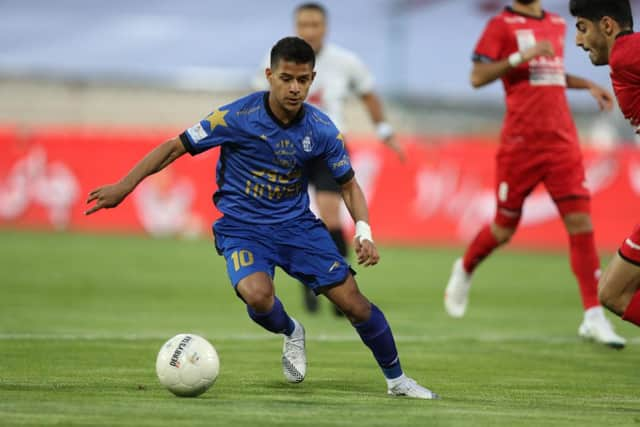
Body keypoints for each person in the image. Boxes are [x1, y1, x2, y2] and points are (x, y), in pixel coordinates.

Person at [85, 37, 437, 399]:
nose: (295, 88)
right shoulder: (235, 117)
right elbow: (176, 146)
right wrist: (125, 186)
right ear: (269, 75)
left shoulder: (322, 130)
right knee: (257, 296)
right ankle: (291, 330)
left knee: (355, 304)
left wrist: (364, 230)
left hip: (296, 227)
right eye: (286, 78)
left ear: (312, 79)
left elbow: (348, 185)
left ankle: (397, 381)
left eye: (303, 80)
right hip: (243, 229)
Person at [444, 0, 627, 348]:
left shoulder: (558, 23)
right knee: (503, 228)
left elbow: (549, 74)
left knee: (581, 225)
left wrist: (585, 84)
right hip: (520, 144)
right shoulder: (501, 25)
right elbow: (477, 77)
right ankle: (465, 267)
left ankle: (593, 316)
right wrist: (517, 58)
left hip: (561, 142)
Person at [253, 2, 404, 315]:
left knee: (330, 215)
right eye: (304, 25)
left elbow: (368, 93)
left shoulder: (345, 61)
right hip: (287, 148)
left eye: (315, 25)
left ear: (325, 28)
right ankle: (308, 281)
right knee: (289, 218)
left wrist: (384, 129)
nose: (309, 30)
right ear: (296, 27)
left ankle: (340, 283)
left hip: (327, 146)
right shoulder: (275, 60)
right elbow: (259, 101)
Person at [570, 0, 640, 328]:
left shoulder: (627, 53)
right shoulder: (624, 60)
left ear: (608, 26)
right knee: (613, 293)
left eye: (583, 28)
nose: (578, 41)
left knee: (614, 293)